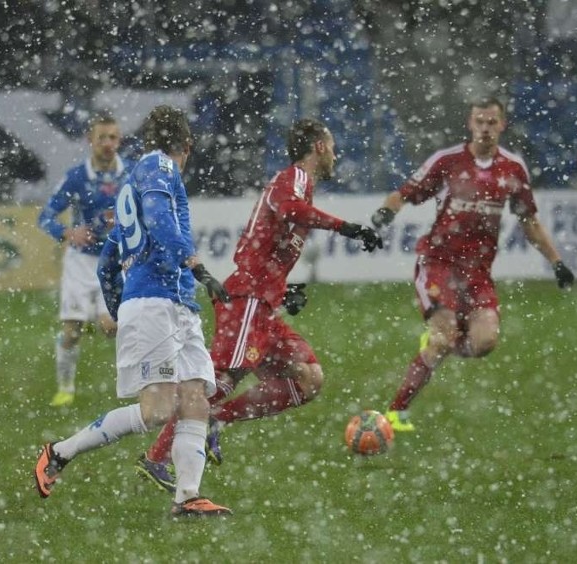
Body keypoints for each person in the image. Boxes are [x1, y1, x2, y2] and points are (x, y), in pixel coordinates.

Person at [135, 118, 384, 492]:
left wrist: (284, 290)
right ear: (318, 146)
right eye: (331, 146)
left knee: (307, 377)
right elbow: (289, 210)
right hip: (247, 300)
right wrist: (347, 227)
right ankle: (156, 457)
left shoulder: (300, 185)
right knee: (218, 382)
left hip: (262, 302)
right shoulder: (295, 178)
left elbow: (264, 245)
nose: (334, 154)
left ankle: (216, 420)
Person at [34, 105, 232, 517]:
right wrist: (194, 264)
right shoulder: (159, 167)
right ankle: (59, 452)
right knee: (157, 411)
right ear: (187, 146)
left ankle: (187, 497)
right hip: (159, 302)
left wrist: (117, 307)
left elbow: (108, 262)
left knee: (196, 397)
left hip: (173, 303)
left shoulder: (132, 182)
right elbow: (161, 220)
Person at [369, 97, 576, 432]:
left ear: (502, 125)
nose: (485, 128)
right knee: (443, 336)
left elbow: (529, 221)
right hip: (438, 264)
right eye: (479, 121)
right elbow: (405, 192)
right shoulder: (447, 160)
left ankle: (441, 342)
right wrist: (386, 211)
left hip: (477, 274)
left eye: (492, 122)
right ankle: (396, 413)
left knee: (484, 343)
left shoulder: (512, 169)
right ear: (469, 124)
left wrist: (557, 262)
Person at [37, 112, 127, 407]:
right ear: (90, 140)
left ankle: (131, 383)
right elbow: (45, 216)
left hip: (114, 260)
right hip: (80, 263)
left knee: (111, 328)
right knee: (71, 332)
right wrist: (67, 233)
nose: (108, 143)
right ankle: (65, 388)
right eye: (102, 137)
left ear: (120, 140)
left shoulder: (131, 175)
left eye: (112, 137)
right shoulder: (77, 177)